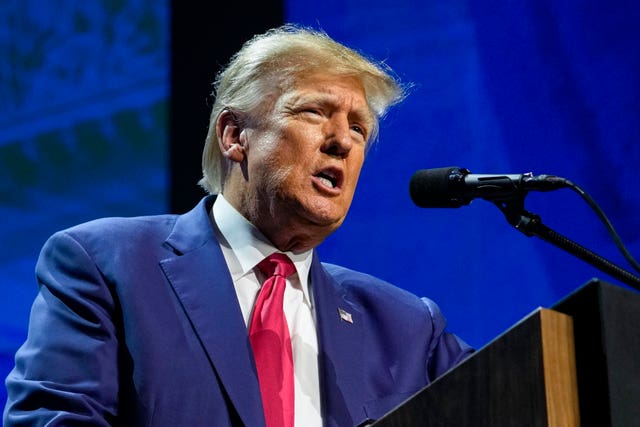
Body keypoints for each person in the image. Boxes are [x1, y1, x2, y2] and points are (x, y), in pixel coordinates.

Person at [4, 24, 472, 426]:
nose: (342, 142)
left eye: (359, 128)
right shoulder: (107, 265)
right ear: (234, 135)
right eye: (315, 112)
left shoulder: (407, 328)